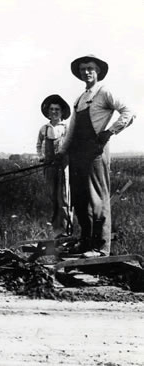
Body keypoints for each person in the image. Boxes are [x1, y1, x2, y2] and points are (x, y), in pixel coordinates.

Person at [56, 55, 135, 257]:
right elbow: (72, 129)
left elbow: (128, 113)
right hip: (77, 154)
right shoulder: (80, 99)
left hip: (96, 152)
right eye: (83, 69)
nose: (87, 72)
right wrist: (63, 151)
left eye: (90, 68)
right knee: (80, 199)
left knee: (97, 199)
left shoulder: (105, 92)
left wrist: (110, 132)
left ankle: (101, 248)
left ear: (98, 71)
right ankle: (85, 242)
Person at [36, 94, 72, 238]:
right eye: (51, 109)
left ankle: (66, 231)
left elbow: (71, 145)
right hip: (49, 167)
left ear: (61, 112)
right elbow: (39, 145)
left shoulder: (66, 128)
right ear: (48, 112)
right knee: (52, 197)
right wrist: (41, 157)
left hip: (63, 167)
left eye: (57, 109)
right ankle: (56, 231)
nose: (54, 112)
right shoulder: (44, 129)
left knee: (63, 197)